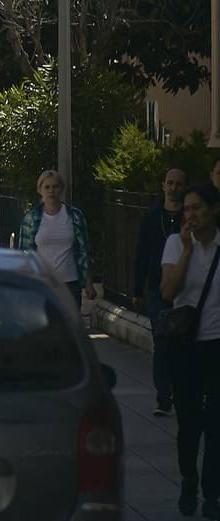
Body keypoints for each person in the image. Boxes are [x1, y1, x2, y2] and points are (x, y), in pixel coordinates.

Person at [162, 182, 220, 517]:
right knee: (189, 422)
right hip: (185, 347)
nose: (191, 214)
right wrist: (186, 251)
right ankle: (188, 477)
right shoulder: (175, 244)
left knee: (216, 423)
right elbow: (168, 292)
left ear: (213, 210)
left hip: (216, 345)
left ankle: (212, 493)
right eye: (187, 209)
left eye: (197, 207)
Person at [138, 168, 188, 416]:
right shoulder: (152, 217)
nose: (174, 187)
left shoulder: (188, 218)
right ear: (163, 185)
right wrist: (136, 289)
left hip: (185, 285)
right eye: (170, 182)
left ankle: (183, 392)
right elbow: (142, 253)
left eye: (179, 184)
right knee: (162, 339)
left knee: (183, 341)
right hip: (157, 286)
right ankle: (163, 397)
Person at [19, 169, 97, 308]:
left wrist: (87, 282)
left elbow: (84, 250)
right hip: (43, 282)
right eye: (47, 187)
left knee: (68, 327)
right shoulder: (31, 218)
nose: (51, 191)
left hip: (70, 283)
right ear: (40, 190)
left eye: (55, 187)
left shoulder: (75, 216)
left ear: (61, 189)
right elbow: (24, 253)